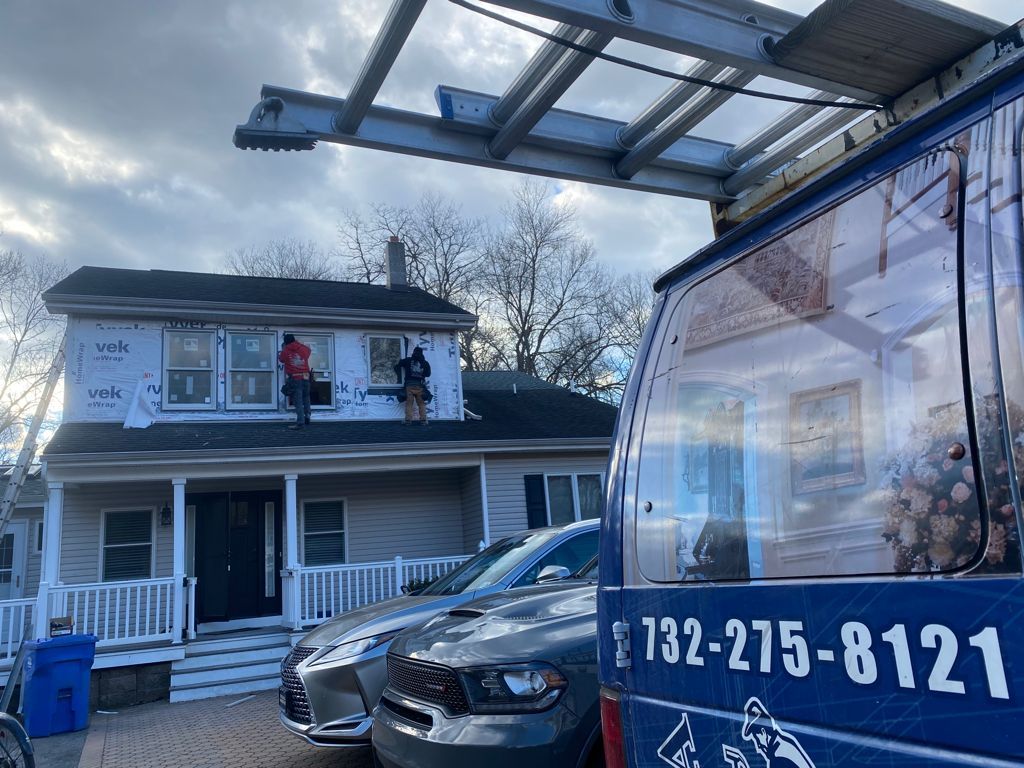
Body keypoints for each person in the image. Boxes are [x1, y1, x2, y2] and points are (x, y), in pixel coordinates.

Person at [279, 334, 312, 429]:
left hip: (295, 377)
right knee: (306, 397)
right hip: (306, 376)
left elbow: (281, 359)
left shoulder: (285, 350)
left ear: (285, 342)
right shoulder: (303, 348)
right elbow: (309, 351)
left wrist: (284, 348)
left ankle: (300, 423)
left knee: (298, 400)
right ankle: (308, 416)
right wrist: (298, 344)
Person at [394, 346, 431, 425]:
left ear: (413, 352)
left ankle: (408, 421)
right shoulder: (425, 363)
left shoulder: (408, 360)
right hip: (420, 386)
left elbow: (399, 363)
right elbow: (428, 374)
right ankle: (423, 421)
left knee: (409, 403)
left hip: (409, 386)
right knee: (421, 403)